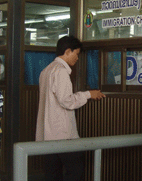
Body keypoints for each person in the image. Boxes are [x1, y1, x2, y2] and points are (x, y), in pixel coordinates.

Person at [35, 35, 105, 181]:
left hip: (47, 136)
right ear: (67, 51)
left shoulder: (46, 70)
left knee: (52, 174)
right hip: (63, 135)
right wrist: (88, 94)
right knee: (76, 171)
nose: (77, 58)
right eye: (76, 54)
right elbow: (67, 101)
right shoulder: (60, 71)